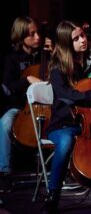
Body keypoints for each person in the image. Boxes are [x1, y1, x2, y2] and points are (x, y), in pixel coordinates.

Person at [45, 20, 91, 213]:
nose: (83, 40)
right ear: (66, 43)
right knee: (65, 144)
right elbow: (66, 94)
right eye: (77, 38)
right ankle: (53, 195)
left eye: (83, 35)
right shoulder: (58, 67)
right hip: (63, 123)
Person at [0, 16, 51, 192]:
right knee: (5, 123)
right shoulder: (12, 59)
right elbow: (9, 87)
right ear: (21, 37)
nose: (37, 37)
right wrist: (27, 79)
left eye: (38, 32)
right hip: (20, 107)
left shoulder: (46, 55)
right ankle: (5, 171)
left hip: (45, 105)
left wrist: (55, 53)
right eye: (32, 34)